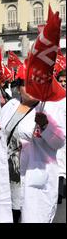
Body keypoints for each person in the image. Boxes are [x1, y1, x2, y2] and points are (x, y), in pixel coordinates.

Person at [0, 65, 66, 223]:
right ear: (18, 86)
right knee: (7, 217)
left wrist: (46, 126)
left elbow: (59, 141)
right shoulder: (10, 106)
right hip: (8, 181)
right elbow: (4, 135)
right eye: (26, 83)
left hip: (33, 180)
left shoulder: (50, 107)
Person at [56, 69, 66, 204]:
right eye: (61, 81)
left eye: (65, 81)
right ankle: (58, 193)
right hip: (59, 136)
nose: (63, 83)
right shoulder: (54, 98)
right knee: (59, 163)